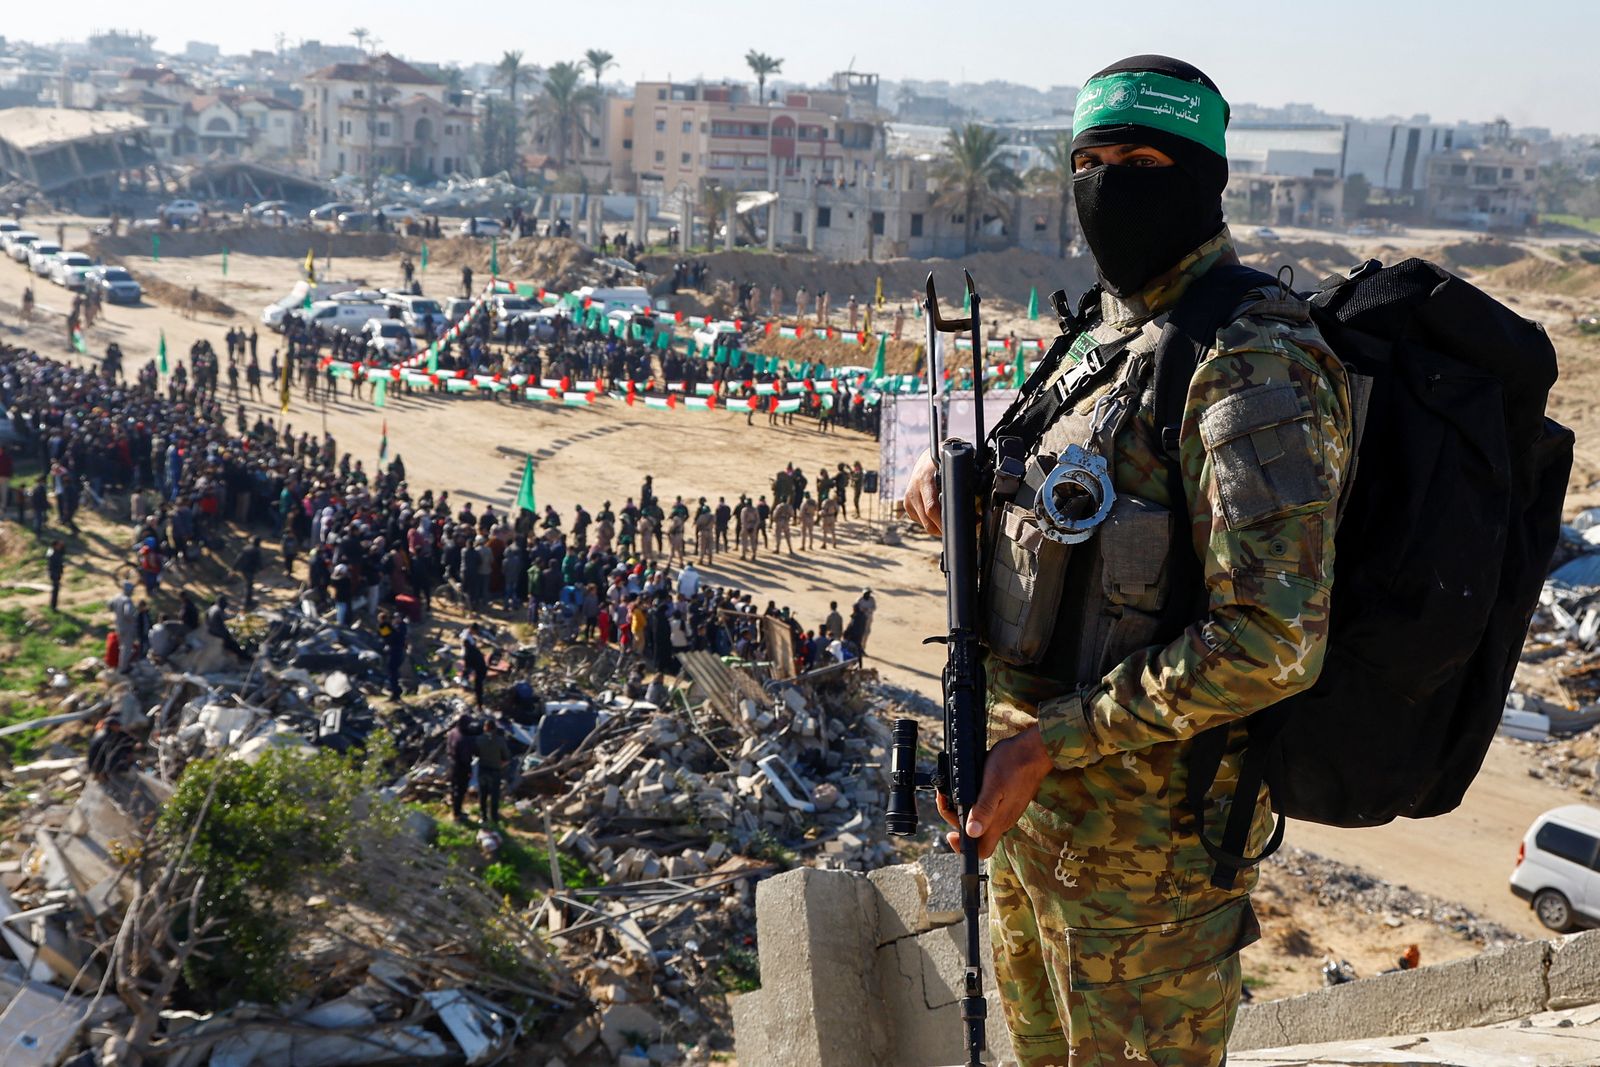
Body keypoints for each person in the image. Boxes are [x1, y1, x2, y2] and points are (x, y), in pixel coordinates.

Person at [903, 55, 1351, 1067]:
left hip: (1145, 869)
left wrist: (1048, 741)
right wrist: (971, 504)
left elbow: (1272, 639)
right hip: (1029, 820)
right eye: (1089, 159)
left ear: (1203, 177)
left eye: (1141, 159)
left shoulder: (1247, 356)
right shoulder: (1101, 332)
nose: (1109, 182)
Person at [475, 718, 511, 824]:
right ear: (495, 728)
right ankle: (494, 817)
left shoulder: (479, 739)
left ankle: (483, 817)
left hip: (483, 769)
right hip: (495, 771)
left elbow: (476, 754)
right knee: (494, 795)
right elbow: (507, 758)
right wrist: (500, 765)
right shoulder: (500, 741)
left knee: (483, 794)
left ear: (485, 728)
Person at [446, 714, 477, 821]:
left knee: (454, 787)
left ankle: (454, 808)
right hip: (461, 767)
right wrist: (469, 769)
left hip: (452, 763)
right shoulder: (463, 739)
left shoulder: (453, 732)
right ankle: (457, 813)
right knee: (461, 789)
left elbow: (448, 747)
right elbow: (465, 758)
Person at [233, 536, 264, 611]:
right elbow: (259, 561)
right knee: (249, 586)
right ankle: (247, 603)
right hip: (250, 570)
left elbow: (239, 558)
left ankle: (248, 602)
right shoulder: (256, 550)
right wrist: (261, 569)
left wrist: (234, 568)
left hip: (243, 569)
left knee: (249, 585)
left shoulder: (246, 548)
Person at [462, 622, 490, 707]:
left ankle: (467, 685)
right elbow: (469, 650)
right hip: (471, 659)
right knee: (476, 680)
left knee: (471, 674)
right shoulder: (466, 639)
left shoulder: (468, 635)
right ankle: (479, 702)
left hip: (473, 658)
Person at [45, 539, 66, 612]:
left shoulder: (57, 551)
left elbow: (63, 551)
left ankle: (54, 605)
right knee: (55, 590)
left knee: (56, 590)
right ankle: (53, 606)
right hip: (54, 574)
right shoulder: (52, 554)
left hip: (57, 573)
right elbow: (52, 566)